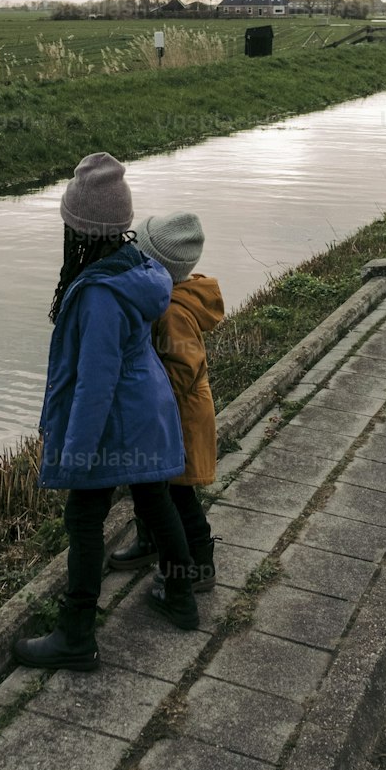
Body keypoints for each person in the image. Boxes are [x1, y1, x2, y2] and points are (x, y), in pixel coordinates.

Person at [14, 153, 200, 673]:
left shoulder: (97, 294)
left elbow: (94, 386)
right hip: (147, 411)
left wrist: (74, 457)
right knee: (156, 500)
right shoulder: (135, 266)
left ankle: (75, 635)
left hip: (117, 421)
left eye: (70, 225)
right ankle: (182, 599)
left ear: (84, 230)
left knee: (84, 517)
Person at [109, 212, 224, 592]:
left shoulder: (173, 311)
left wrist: (145, 384)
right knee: (151, 485)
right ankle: (151, 542)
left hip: (181, 418)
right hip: (168, 413)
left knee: (178, 492)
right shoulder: (165, 298)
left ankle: (199, 567)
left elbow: (183, 369)